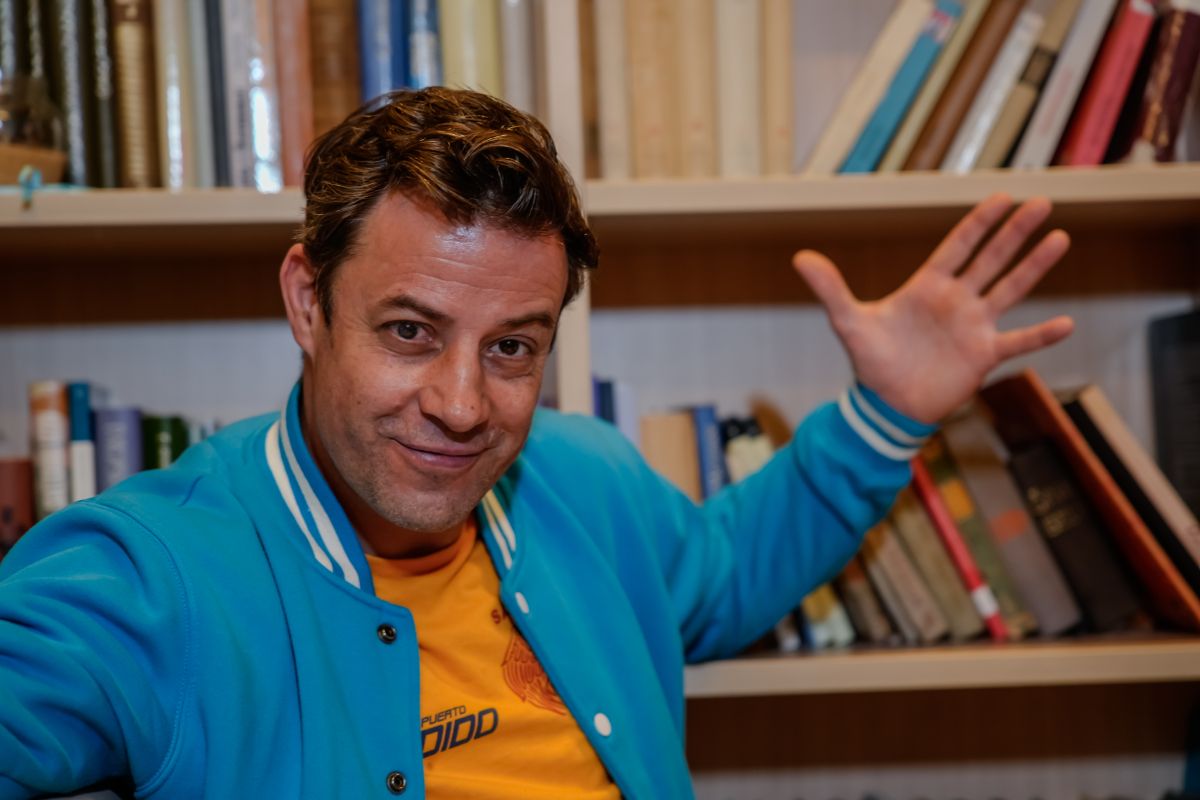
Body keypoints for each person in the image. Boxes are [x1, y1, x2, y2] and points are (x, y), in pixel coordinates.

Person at [0, 87, 1073, 799]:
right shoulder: (143, 575)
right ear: (308, 300)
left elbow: (730, 568)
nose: (463, 405)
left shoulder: (582, 477)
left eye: (512, 346)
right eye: (411, 331)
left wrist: (886, 413)